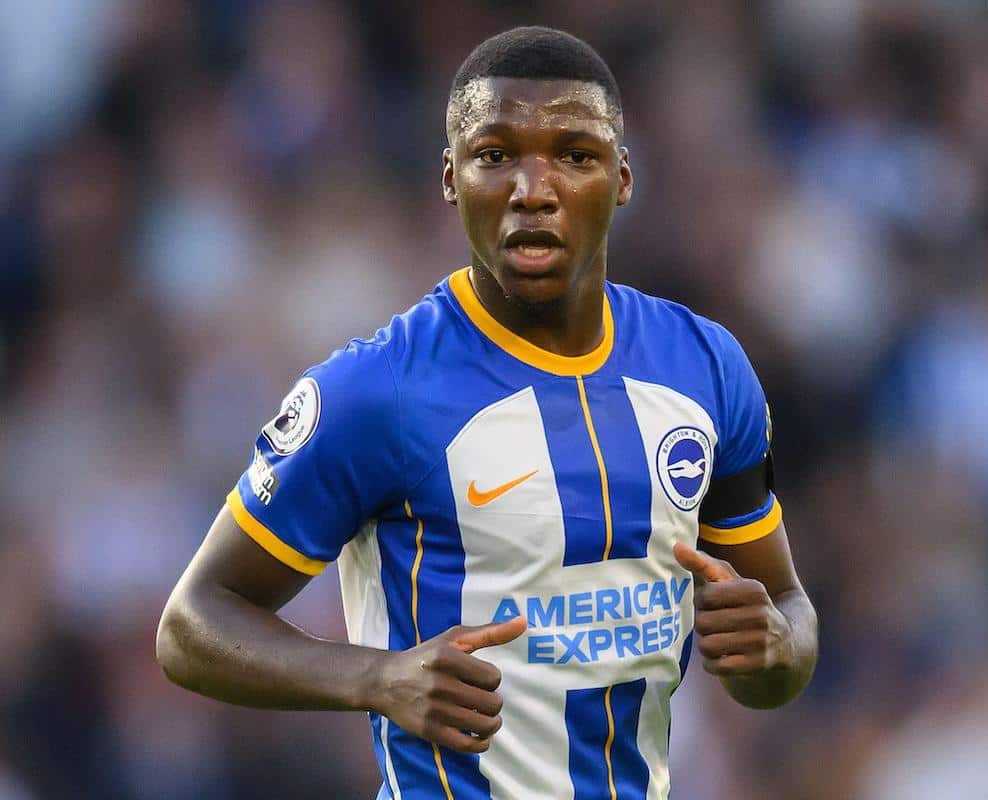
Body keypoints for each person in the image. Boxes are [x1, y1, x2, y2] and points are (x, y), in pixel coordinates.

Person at [156, 25, 818, 800]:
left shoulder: (705, 368)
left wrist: (779, 649)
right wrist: (375, 677)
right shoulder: (378, 393)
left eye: (574, 155)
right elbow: (191, 626)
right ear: (450, 177)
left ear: (623, 177)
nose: (533, 189)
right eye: (496, 154)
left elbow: (781, 621)